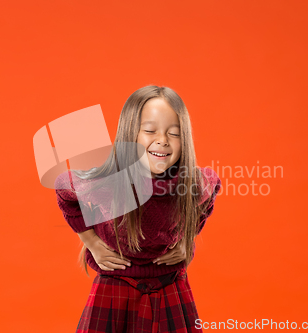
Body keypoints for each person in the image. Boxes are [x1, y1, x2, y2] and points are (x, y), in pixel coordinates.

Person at [54, 85, 221, 333]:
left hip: (170, 287)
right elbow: (63, 187)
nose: (162, 140)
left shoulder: (191, 183)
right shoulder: (107, 183)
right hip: (115, 288)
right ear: (130, 134)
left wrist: (187, 239)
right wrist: (90, 241)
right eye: (150, 130)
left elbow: (213, 185)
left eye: (174, 134)